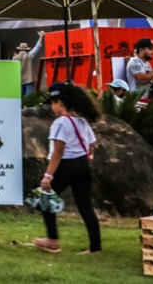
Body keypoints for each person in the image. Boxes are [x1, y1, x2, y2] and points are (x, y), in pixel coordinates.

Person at [33, 82, 102, 254]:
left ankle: (52, 241)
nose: (51, 107)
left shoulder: (61, 123)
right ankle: (95, 247)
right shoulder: (82, 121)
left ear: (59, 102)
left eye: (52, 103)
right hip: (83, 164)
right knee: (85, 207)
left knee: (45, 199)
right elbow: (92, 145)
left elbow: (58, 151)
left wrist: (48, 176)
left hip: (67, 165)